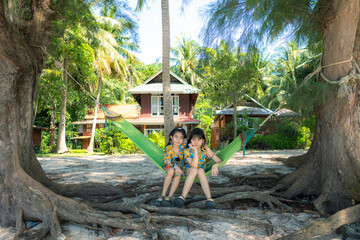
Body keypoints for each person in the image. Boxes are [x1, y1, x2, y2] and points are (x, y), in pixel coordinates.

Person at [173, 127, 222, 209]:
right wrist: (195, 151)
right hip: (188, 170)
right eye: (193, 139)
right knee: (195, 169)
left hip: (201, 172)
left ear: (203, 141)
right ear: (190, 140)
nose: (196, 142)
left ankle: (209, 199)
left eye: (199, 139)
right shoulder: (187, 150)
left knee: (200, 170)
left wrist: (215, 165)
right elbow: (194, 165)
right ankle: (182, 197)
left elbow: (219, 161)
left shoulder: (205, 151)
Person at [153, 127, 187, 207]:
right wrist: (175, 166)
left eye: (181, 138)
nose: (178, 140)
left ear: (183, 139)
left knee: (178, 173)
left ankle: (169, 197)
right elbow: (167, 161)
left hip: (181, 168)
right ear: (171, 137)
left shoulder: (184, 147)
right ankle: (163, 195)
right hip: (170, 166)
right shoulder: (168, 148)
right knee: (172, 171)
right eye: (176, 137)